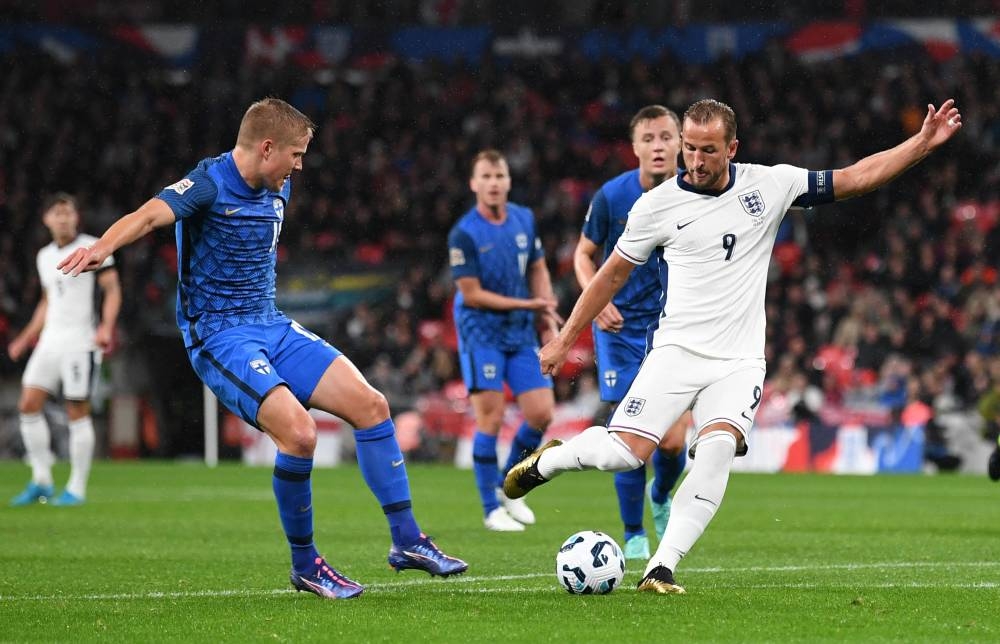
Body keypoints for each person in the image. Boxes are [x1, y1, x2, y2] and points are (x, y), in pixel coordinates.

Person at [505, 98, 962, 594]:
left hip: (739, 361)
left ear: (732, 148)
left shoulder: (770, 184)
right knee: (624, 454)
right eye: (690, 149)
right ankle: (548, 460)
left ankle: (660, 568)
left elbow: (855, 177)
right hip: (675, 352)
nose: (696, 162)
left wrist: (920, 144)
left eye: (708, 151)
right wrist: (563, 341)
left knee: (717, 448)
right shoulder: (655, 207)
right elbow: (609, 276)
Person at [58, 98, 467, 599]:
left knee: (372, 404)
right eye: (295, 154)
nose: (299, 166)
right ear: (266, 147)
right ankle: (306, 565)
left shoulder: (280, 182)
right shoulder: (208, 182)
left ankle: (408, 542)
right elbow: (148, 216)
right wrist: (102, 246)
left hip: (271, 323)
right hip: (219, 335)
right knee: (300, 434)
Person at [573, 105, 690, 559]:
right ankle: (634, 534)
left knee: (675, 439)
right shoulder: (612, 196)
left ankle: (660, 493)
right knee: (629, 433)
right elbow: (583, 255)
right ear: (635, 146)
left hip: (674, 327)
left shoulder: (695, 193)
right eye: (649, 139)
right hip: (619, 327)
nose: (658, 146)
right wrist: (595, 299)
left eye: (666, 137)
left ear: (680, 142)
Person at [448, 149, 562, 531]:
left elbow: (538, 265)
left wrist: (544, 308)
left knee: (541, 413)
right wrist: (529, 302)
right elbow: (473, 294)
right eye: (486, 176)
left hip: (519, 330)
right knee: (491, 419)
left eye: (500, 176)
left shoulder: (524, 219)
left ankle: (506, 487)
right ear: (474, 183)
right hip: (481, 333)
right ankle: (489, 510)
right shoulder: (464, 233)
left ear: (508, 181)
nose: (494, 183)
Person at [8, 193, 121, 507]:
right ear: (46, 219)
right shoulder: (44, 255)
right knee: (28, 404)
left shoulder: (93, 246)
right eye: (57, 213)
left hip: (80, 342)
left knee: (76, 411)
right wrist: (25, 337)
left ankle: (76, 487)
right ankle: (41, 480)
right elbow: (47, 301)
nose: (64, 218)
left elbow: (112, 289)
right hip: (49, 342)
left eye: (68, 212)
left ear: (77, 217)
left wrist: (107, 327)